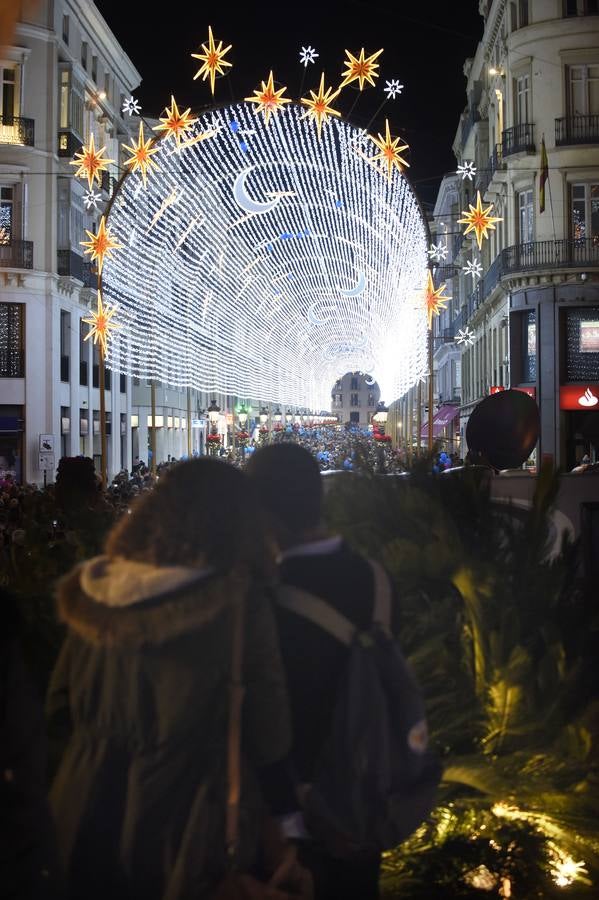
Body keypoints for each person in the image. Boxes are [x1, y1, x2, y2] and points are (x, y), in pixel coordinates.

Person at [47, 458, 305, 900]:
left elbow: (57, 711)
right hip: (185, 824)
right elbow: (270, 734)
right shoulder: (238, 606)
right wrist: (289, 827)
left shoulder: (96, 595)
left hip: (82, 807)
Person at [247, 443, 426, 900]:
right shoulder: (377, 579)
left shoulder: (266, 596)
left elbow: (266, 716)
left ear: (263, 512)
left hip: (293, 817)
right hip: (363, 805)